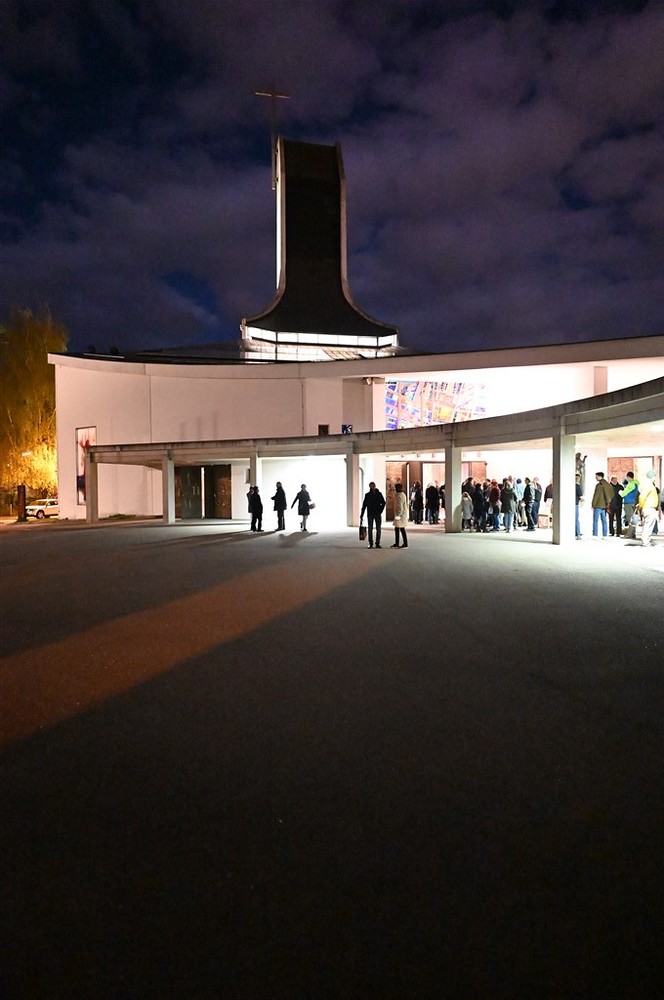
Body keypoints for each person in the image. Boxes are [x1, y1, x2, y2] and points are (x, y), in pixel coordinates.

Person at [360, 481, 386, 548]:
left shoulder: (379, 494)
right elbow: (364, 505)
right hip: (370, 514)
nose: (372, 487)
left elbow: (383, 503)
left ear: (375, 486)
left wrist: (380, 511)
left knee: (378, 529)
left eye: (373, 486)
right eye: (371, 486)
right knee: (370, 529)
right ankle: (370, 543)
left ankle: (377, 543)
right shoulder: (367, 495)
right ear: (369, 487)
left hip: (377, 513)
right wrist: (362, 514)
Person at [638, 470, 659, 547]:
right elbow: (642, 496)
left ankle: (646, 541)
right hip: (648, 507)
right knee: (648, 525)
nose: (655, 478)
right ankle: (645, 542)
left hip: (649, 507)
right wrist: (641, 505)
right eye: (655, 476)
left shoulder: (649, 484)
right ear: (652, 477)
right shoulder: (648, 485)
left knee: (649, 525)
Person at [591, 471, 613, 538]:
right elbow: (611, 494)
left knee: (595, 520)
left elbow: (596, 496)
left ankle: (595, 534)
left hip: (598, 505)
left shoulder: (599, 485)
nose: (596, 478)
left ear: (599, 476)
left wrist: (593, 504)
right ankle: (605, 534)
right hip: (605, 505)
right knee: (604, 520)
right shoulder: (608, 485)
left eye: (596, 476)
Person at [619, 471, 639, 537]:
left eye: (627, 477)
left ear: (628, 477)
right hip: (633, 502)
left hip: (628, 503)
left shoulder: (631, 484)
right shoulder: (636, 484)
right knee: (633, 519)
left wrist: (620, 492)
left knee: (630, 519)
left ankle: (629, 534)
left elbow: (623, 494)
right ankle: (633, 533)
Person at [391, 483, 409, 548]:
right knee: (398, 528)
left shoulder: (399, 496)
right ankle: (397, 543)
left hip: (400, 515)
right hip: (401, 515)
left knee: (401, 528)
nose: (394, 489)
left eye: (395, 488)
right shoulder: (402, 494)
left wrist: (398, 515)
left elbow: (400, 507)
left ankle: (405, 543)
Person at [575, 473, 584, 539]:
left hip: (569, 504)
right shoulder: (577, 486)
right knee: (576, 519)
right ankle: (578, 534)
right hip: (575, 504)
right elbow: (581, 496)